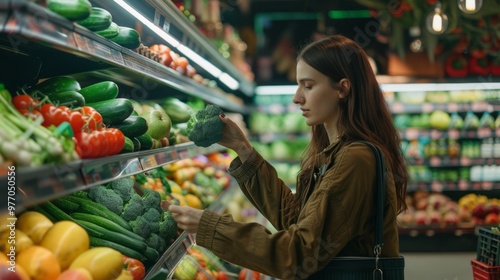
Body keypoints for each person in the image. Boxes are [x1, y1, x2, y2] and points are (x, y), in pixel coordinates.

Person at [165, 34, 408, 279]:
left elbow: (298, 255)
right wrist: (243, 149)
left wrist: (210, 226)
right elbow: (296, 222)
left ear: (342, 88)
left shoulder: (356, 159)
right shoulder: (336, 152)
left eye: (308, 86)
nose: (297, 97)